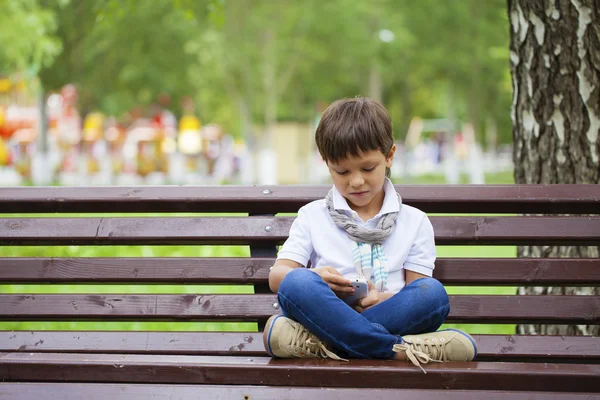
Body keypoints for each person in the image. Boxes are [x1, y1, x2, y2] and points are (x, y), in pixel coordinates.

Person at [263, 97, 477, 372]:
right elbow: (277, 278)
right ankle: (399, 350)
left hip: (388, 314)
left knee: (433, 295)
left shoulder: (415, 221)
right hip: (326, 313)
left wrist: (383, 299)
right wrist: (316, 278)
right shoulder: (313, 216)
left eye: (367, 168)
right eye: (342, 171)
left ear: (389, 156)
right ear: (326, 163)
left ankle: (322, 345)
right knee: (297, 283)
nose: (356, 181)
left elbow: (418, 291)